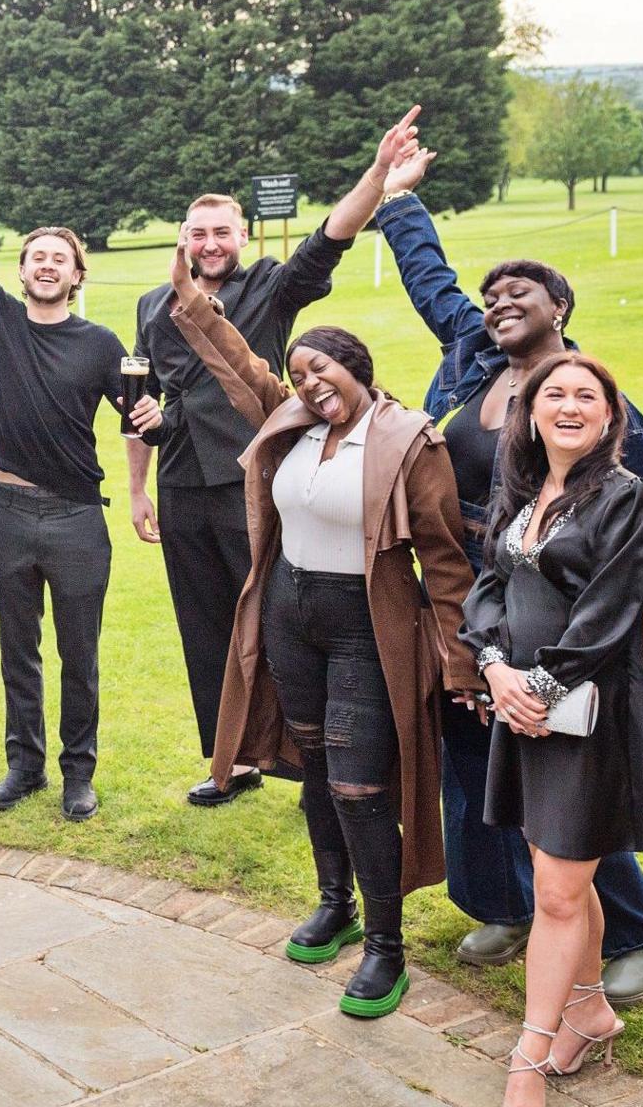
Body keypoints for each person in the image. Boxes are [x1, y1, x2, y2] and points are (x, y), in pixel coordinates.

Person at [371, 143, 643, 1004]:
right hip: (466, 601)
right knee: (476, 762)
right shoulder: (473, 364)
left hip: (555, 619)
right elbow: (434, 283)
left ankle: (639, 937)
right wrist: (398, 203)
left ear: (561, 308)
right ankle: (506, 903)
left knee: (564, 785)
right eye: (492, 297)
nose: (500, 303)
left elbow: (626, 537)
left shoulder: (595, 403)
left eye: (522, 294)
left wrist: (549, 654)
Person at [160, 246, 475, 1022]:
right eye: (298, 374)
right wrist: (193, 301)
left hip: (366, 626)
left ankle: (386, 946)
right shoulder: (289, 419)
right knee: (313, 767)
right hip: (291, 616)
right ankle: (336, 904)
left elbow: (444, 557)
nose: (308, 384)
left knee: (361, 785)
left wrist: (463, 663)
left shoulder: (409, 440)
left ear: (356, 367)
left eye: (321, 370)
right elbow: (237, 362)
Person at [127, 111, 405, 808]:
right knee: (206, 631)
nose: (211, 243)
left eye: (223, 232)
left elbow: (331, 237)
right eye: (198, 233)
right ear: (183, 241)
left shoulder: (271, 288)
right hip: (183, 484)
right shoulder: (154, 304)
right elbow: (148, 403)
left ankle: (304, 752)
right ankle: (234, 761)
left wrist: (377, 174)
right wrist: (139, 486)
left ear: (242, 237)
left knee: (276, 624)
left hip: (256, 484)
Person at [0, 97, 161, 822]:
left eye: (59, 257)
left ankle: (77, 772)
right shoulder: (0, 322)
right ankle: (24, 763)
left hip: (79, 517)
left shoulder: (102, 342)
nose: (46, 265)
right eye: (35, 256)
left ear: (76, 273)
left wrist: (157, 419)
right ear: (18, 271)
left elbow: (141, 418)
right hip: (9, 511)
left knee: (78, 656)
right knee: (17, 649)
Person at [453, 356, 643, 1107]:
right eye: (555, 394)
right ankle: (589, 1011)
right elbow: (488, 586)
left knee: (557, 890)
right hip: (523, 708)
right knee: (559, 880)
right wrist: (494, 667)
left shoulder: (629, 497)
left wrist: (538, 687)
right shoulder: (522, 492)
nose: (569, 405)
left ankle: (527, 1061)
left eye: (587, 395)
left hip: (589, 719)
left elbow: (612, 611)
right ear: (532, 411)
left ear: (610, 416)